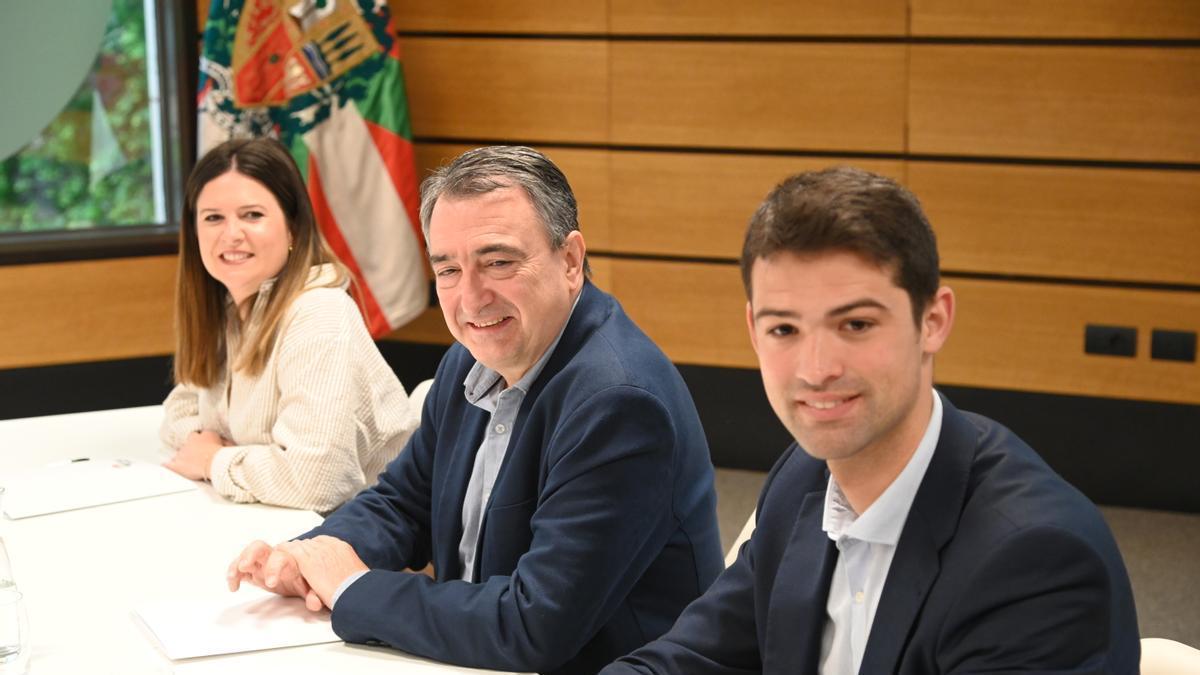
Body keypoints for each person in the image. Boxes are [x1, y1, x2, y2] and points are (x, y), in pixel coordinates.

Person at [603, 167, 1140, 674]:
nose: (816, 370)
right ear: (752, 329)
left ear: (933, 321)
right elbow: (691, 659)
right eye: (784, 330)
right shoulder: (805, 477)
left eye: (856, 324)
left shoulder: (1035, 561)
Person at [226, 146, 724, 675]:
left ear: (571, 261)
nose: (470, 299)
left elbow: (535, 625)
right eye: (448, 270)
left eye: (498, 262)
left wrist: (351, 587)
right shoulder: (469, 360)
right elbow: (404, 503)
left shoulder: (618, 404)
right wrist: (307, 556)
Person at [160, 138, 422, 513]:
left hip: (361, 538)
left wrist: (213, 461)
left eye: (252, 215)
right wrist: (217, 452)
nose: (231, 234)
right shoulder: (230, 309)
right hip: (270, 520)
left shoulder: (319, 313)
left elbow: (318, 481)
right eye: (213, 217)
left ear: (294, 229)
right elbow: (178, 414)